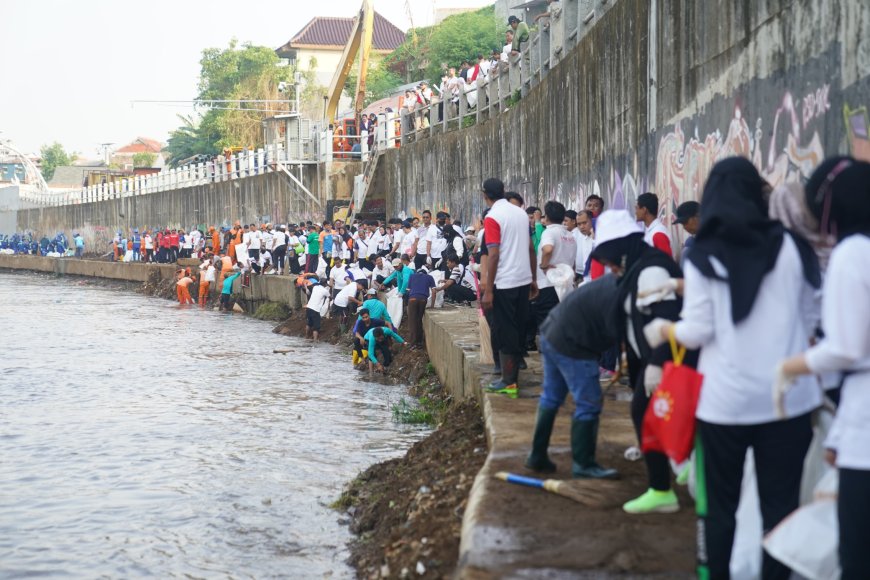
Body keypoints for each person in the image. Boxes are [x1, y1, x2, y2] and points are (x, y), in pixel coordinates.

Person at [649, 157, 822, 578]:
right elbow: (812, 316)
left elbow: (698, 330)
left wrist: (665, 329)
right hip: (788, 403)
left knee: (718, 508)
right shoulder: (793, 245)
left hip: (724, 405)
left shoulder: (707, 251)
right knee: (780, 509)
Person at [777, 158, 870, 579]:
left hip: (865, 428)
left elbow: (848, 349)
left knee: (855, 556)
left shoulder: (852, 253)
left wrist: (792, 365)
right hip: (856, 418)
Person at [589, 209, 686, 515]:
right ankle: (682, 468)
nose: (608, 265)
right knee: (661, 417)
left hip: (665, 361)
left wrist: (656, 364)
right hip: (650, 361)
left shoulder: (652, 270)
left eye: (609, 257)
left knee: (646, 414)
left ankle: (661, 489)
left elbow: (668, 318)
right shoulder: (637, 268)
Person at [526, 274, 620, 479]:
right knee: (589, 402)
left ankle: (537, 455)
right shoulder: (622, 293)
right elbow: (617, 331)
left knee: (551, 397)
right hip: (574, 344)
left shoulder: (610, 282)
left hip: (552, 333)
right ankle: (583, 463)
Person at [480, 177, 538, 398]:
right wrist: (533, 278)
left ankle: (508, 381)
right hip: (523, 279)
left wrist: (489, 290)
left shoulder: (493, 217)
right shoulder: (520, 213)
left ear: (485, 195)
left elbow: (493, 254)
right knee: (518, 327)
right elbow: (531, 248)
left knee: (505, 330)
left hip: (504, 281)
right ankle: (512, 378)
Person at [533, 201, 576, 325]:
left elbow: (548, 249)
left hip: (548, 285)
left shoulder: (549, 232)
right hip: (566, 285)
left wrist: (544, 265)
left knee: (547, 323)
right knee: (561, 323)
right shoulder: (570, 235)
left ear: (546, 217)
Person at [406, 265, 436, 348]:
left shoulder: (412, 276)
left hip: (412, 299)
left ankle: (413, 344)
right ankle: (419, 342)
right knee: (419, 320)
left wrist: (407, 303)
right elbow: (434, 291)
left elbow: (408, 291)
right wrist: (432, 305)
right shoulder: (429, 277)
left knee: (412, 322)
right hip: (423, 300)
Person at [635, 192, 673, 256]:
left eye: (637, 208)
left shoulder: (658, 233)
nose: (635, 212)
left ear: (644, 209)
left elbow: (665, 262)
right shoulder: (652, 231)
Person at [673, 200, 700, 266]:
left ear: (698, 216)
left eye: (685, 222)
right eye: (682, 224)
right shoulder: (691, 242)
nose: (684, 227)